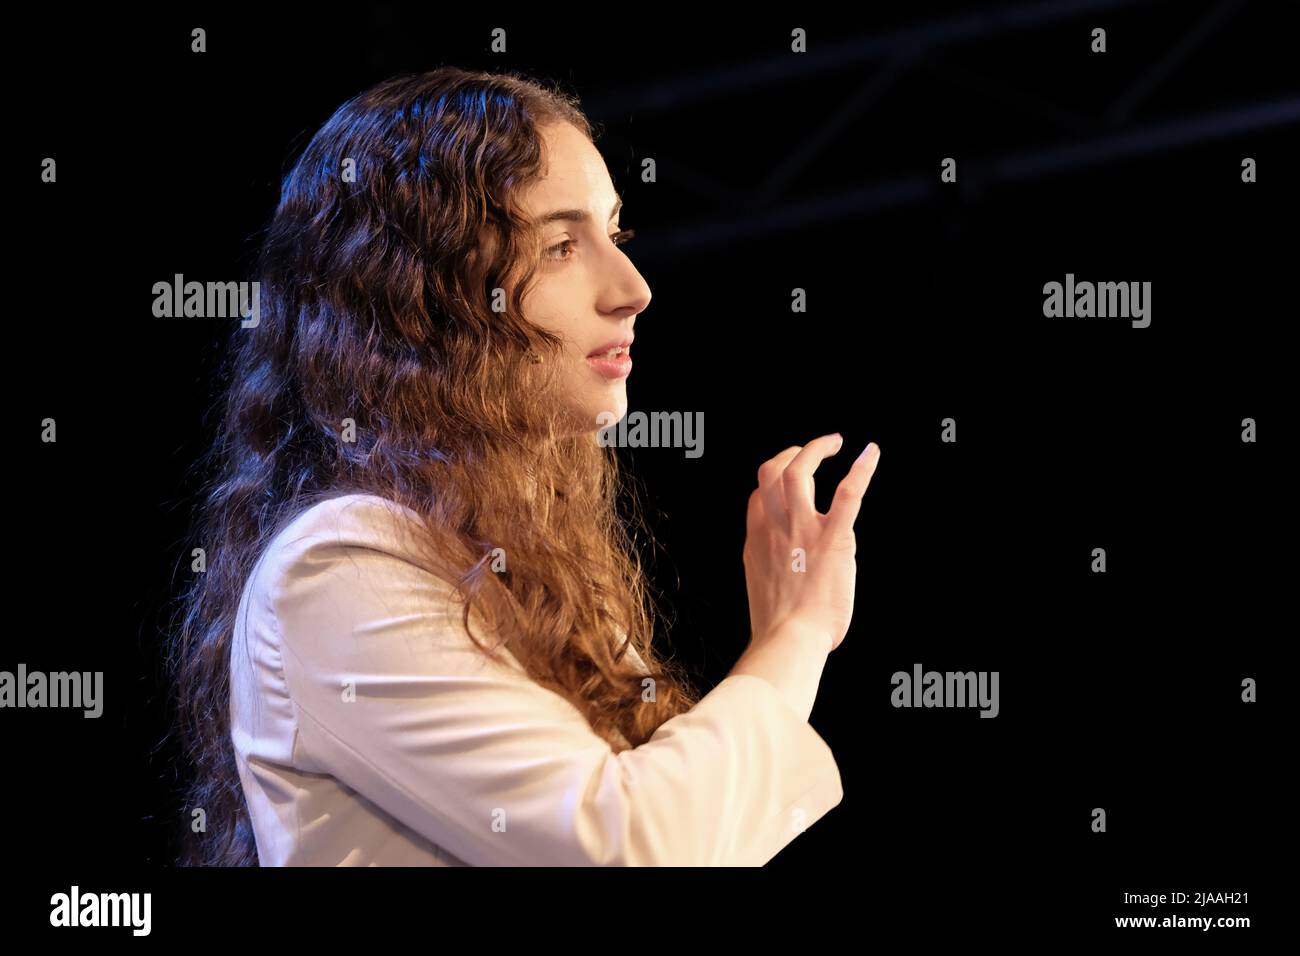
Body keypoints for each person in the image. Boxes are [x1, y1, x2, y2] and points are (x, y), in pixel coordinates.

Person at [168, 66, 883, 866]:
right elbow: (630, 846)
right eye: (562, 245)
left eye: (618, 234)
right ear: (427, 299)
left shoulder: (521, 564)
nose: (633, 288)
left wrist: (795, 642)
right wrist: (796, 633)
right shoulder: (338, 569)